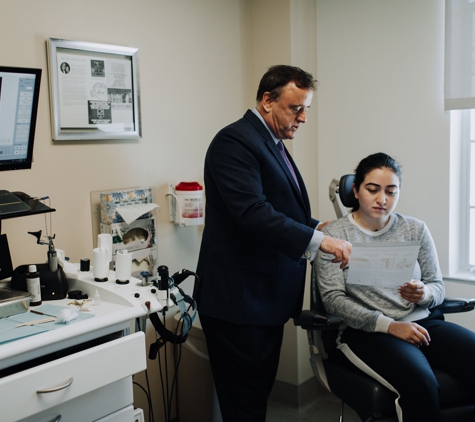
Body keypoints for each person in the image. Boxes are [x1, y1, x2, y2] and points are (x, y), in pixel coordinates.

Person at [194, 65, 352, 422]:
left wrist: (318, 226)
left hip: (263, 300)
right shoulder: (234, 142)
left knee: (255, 396)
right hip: (238, 302)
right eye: (296, 108)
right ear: (267, 100)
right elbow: (252, 213)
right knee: (244, 403)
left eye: (306, 108)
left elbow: (279, 208)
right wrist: (317, 242)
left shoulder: (270, 142)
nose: (304, 118)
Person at [316, 152, 475, 422]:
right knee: (420, 383)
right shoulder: (334, 236)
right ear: (355, 190)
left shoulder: (415, 229)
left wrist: (424, 293)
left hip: (423, 323)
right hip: (369, 332)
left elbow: (437, 286)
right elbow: (333, 299)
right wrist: (389, 326)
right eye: (373, 189)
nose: (382, 199)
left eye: (391, 191)